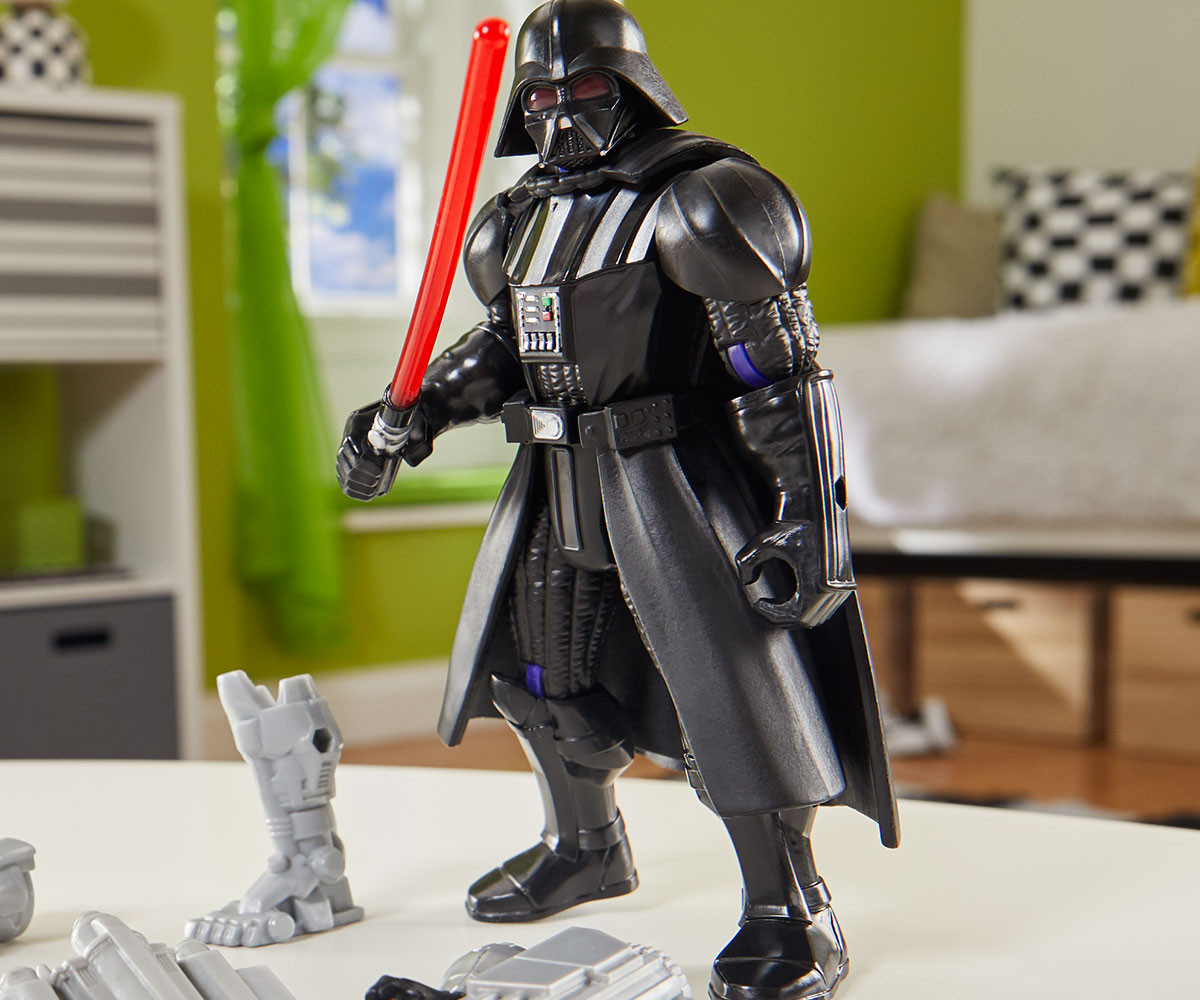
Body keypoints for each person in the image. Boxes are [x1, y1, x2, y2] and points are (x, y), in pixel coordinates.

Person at [337, 2, 898, 997]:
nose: (560, 118)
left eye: (585, 91)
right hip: (556, 478)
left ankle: (789, 905)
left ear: (633, 89)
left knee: (734, 695)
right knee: (539, 672)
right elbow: (507, 350)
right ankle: (584, 845)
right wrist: (413, 413)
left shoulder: (704, 200)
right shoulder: (517, 221)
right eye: (540, 100)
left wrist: (810, 517)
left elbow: (778, 370)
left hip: (669, 478)